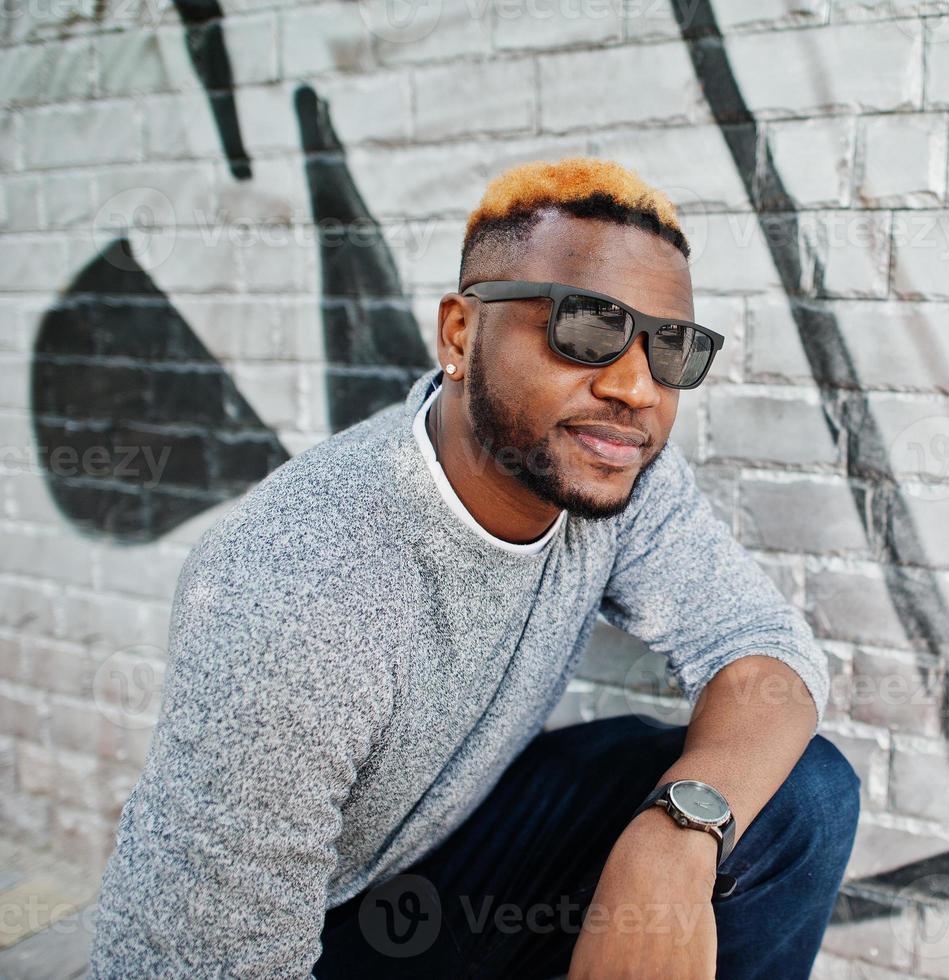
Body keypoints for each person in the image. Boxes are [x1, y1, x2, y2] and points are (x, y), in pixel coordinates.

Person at [88, 156, 861, 979]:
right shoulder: (296, 591)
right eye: (586, 326)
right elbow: (179, 963)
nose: (635, 386)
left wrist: (676, 838)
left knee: (795, 795)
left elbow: (764, 649)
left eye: (670, 348)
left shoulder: (616, 471)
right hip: (323, 927)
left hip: (458, 841)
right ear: (461, 333)